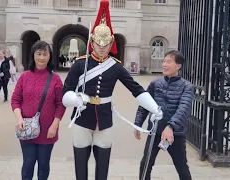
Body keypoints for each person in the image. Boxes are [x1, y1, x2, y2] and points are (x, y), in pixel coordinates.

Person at [61, 0, 163, 179]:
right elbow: (66, 90)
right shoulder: (79, 64)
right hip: (82, 118)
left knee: (102, 167)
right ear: (92, 42)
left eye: (105, 44)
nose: (101, 47)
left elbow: (136, 89)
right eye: (98, 43)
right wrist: (74, 99)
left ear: (110, 44)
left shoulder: (115, 66)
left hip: (104, 119)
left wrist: (155, 108)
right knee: (80, 167)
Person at [134, 50, 194, 180]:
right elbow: (145, 104)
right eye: (164, 61)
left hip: (175, 135)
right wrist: (138, 123)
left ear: (178, 66)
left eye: (169, 62)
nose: (164, 65)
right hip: (155, 131)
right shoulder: (155, 84)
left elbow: (183, 109)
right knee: (146, 164)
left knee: (181, 167)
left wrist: (171, 126)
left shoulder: (187, 87)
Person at [11, 40, 66, 180]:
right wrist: (19, 119)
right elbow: (15, 100)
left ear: (50, 56)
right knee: (28, 164)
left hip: (48, 130)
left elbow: (61, 104)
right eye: (38, 53)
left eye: (45, 54)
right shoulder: (24, 77)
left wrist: (55, 125)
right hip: (27, 128)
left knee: (43, 165)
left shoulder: (55, 79)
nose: (41, 57)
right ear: (33, 55)